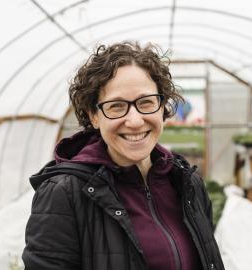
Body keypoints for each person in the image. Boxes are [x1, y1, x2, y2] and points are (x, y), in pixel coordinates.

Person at [22, 41, 225, 270]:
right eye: (117, 106)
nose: (135, 120)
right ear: (94, 116)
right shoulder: (64, 194)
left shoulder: (187, 183)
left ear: (162, 107)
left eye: (146, 102)